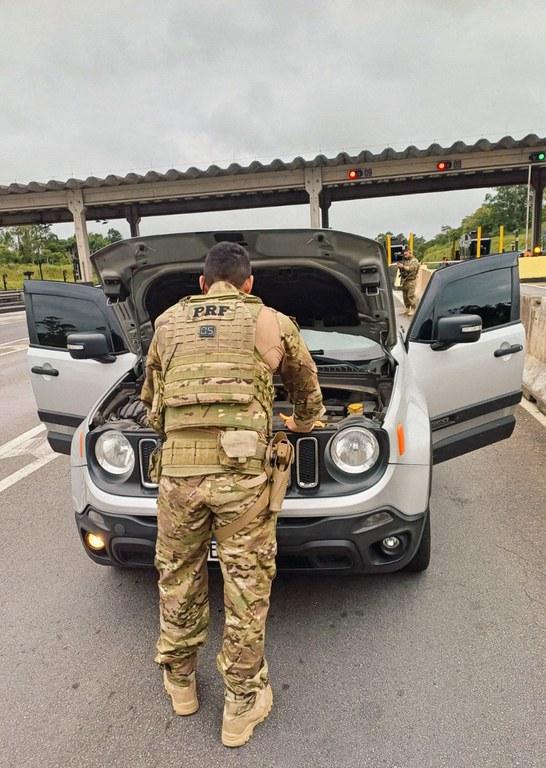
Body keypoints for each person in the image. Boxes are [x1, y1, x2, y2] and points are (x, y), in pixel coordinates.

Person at [141, 241, 325, 747]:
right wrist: (301, 422)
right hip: (242, 480)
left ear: (201, 284)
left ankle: (181, 684)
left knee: (177, 574)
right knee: (246, 585)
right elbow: (307, 391)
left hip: (178, 476)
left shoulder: (166, 323)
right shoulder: (271, 320)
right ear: (248, 284)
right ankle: (240, 708)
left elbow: (153, 405)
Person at [396, 248, 420, 315]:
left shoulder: (414, 261)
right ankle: (407, 308)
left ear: (410, 253)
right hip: (405, 280)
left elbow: (411, 269)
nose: (405, 256)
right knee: (405, 296)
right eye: (404, 255)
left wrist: (403, 266)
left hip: (411, 281)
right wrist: (400, 267)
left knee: (411, 295)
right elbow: (404, 270)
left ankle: (413, 309)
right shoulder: (406, 261)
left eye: (406, 254)